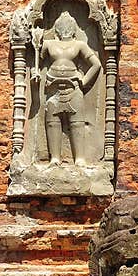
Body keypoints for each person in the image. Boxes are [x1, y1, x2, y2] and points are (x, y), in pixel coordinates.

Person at [37, 12, 101, 166]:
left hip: (74, 87)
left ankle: (79, 158)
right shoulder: (49, 43)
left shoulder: (79, 45)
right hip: (53, 87)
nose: (65, 30)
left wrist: (84, 80)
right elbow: (37, 56)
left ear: (73, 30)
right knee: (53, 122)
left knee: (76, 122)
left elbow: (96, 64)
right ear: (56, 30)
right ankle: (55, 158)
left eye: (68, 27)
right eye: (62, 27)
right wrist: (36, 41)